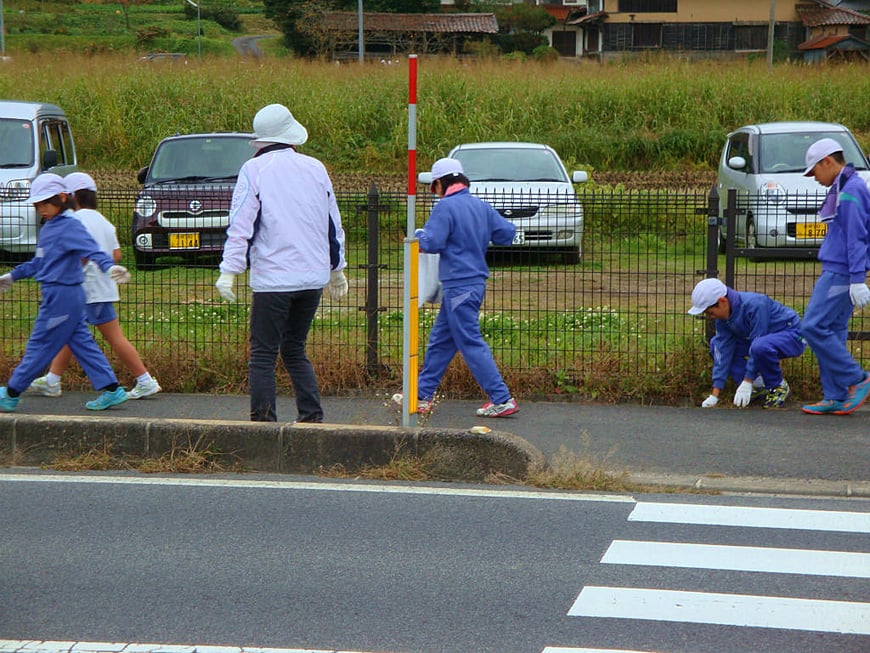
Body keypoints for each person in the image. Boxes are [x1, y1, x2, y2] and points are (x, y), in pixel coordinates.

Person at [215, 103, 348, 423]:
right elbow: (333, 224)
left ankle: (263, 424)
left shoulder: (253, 170)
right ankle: (312, 416)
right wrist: (337, 269)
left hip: (273, 279)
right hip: (312, 278)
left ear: (260, 141)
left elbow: (241, 225)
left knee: (263, 354)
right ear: (291, 137)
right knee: (294, 348)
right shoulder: (316, 167)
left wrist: (229, 271)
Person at [0, 173, 132, 412]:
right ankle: (112, 389)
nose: (42, 209)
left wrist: (109, 266)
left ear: (62, 198)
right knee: (82, 343)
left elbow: (91, 249)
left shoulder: (70, 226)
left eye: (46, 203)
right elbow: (39, 263)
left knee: (40, 344)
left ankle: (11, 392)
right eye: (37, 205)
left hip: (61, 297)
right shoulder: (50, 227)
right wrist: (13, 275)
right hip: (61, 295)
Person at [400, 158, 519, 417]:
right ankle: (421, 395)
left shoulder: (445, 208)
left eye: (434, 187)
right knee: (441, 342)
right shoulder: (481, 206)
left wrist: (416, 235)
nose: (435, 192)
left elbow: (432, 242)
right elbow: (507, 233)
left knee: (470, 341)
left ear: (441, 183)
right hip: (474, 284)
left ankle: (502, 398)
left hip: (457, 286)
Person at [28, 172, 161, 400]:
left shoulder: (74, 221)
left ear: (71, 197)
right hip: (102, 289)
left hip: (85, 290)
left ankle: (144, 380)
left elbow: (80, 255)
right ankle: (52, 379)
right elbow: (116, 254)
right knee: (71, 333)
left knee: (103, 336)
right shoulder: (103, 220)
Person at [800, 138, 870, 415]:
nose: (814, 178)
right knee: (832, 331)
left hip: (839, 273)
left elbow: (857, 236)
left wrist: (856, 278)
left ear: (827, 161)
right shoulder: (845, 187)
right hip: (840, 270)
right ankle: (835, 396)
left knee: (813, 327)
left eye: (814, 171)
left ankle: (857, 378)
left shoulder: (850, 191)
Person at [688, 278, 804, 410]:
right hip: (761, 341)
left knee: (759, 346)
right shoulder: (723, 319)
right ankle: (758, 386)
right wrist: (715, 394)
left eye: (710, 312)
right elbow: (723, 350)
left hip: (792, 335)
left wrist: (746, 380)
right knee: (716, 344)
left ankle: (777, 386)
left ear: (722, 302)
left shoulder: (755, 305)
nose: (711, 317)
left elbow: (758, 340)